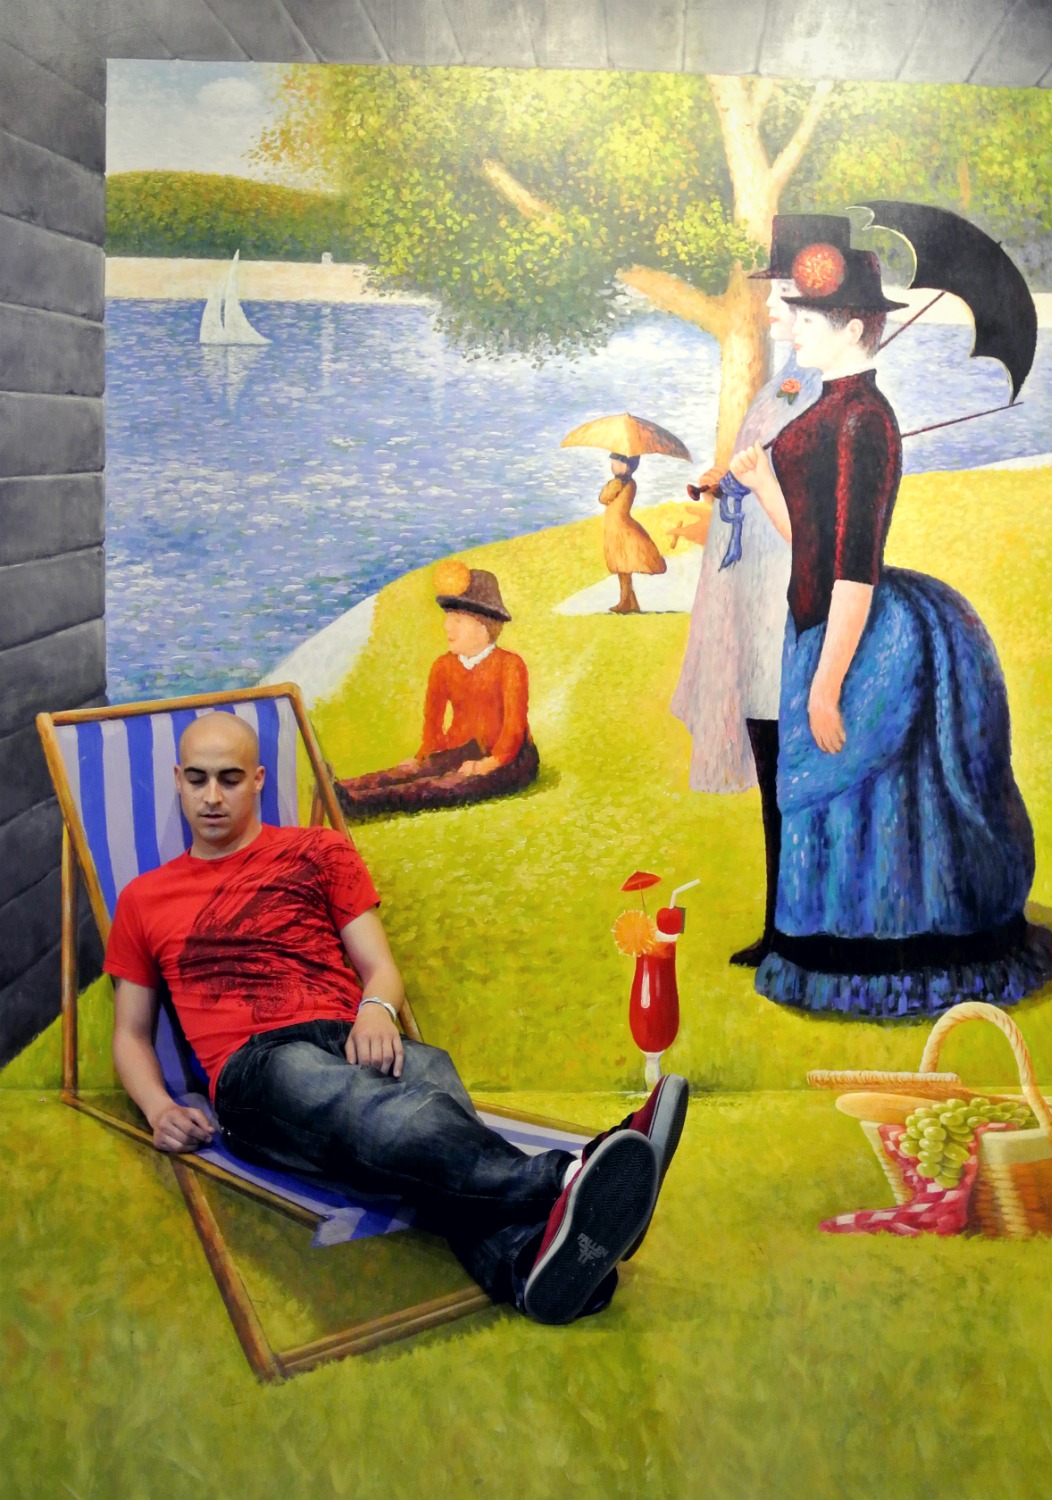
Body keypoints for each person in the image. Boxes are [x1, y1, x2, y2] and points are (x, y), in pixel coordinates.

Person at [104, 711, 688, 1325]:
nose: (212, 797)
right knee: (374, 1107)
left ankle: (526, 1265)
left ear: (257, 779)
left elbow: (378, 967)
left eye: (228, 778)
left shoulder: (318, 851)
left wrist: (376, 1009)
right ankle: (571, 1174)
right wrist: (159, 1109)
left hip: (356, 1036)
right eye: (197, 779)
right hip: (258, 1068)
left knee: (429, 1101)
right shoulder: (144, 899)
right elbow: (131, 1034)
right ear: (178, 780)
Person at [728, 230, 1052, 1017]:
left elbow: (853, 565)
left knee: (871, 795)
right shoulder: (829, 406)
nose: (788, 328)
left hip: (862, 637)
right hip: (817, 625)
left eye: (804, 319)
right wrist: (761, 482)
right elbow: (810, 544)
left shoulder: (862, 421)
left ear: (851, 326)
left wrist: (826, 684)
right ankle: (827, 941)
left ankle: (885, 958)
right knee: (826, 797)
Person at [670, 215, 842, 967]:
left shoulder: (831, 397)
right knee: (774, 777)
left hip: (789, 608)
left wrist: (759, 480)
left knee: (793, 779)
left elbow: (814, 512)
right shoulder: (786, 384)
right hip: (755, 598)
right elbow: (763, 466)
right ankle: (780, 926)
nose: (769, 306)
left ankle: (796, 930)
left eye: (781, 295)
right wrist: (728, 481)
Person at [334, 562, 539, 817]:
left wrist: (489, 764)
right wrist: (423, 758)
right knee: (415, 771)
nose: (447, 627)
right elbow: (433, 723)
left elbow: (513, 728)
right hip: (465, 748)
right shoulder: (443, 666)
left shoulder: (510, 665)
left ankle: (359, 803)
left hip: (510, 758)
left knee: (443, 786)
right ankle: (342, 788)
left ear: (484, 625)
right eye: (447, 618)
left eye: (458, 620)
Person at [599, 453, 666, 614]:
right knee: (622, 567)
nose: (613, 465)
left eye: (616, 462)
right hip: (615, 527)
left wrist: (613, 485)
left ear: (626, 466)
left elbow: (604, 498)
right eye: (613, 462)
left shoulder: (621, 483)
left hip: (621, 527)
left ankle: (626, 601)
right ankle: (629, 601)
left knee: (623, 563)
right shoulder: (622, 482)